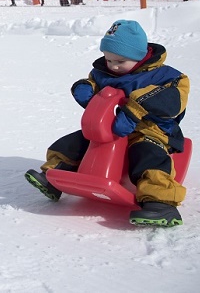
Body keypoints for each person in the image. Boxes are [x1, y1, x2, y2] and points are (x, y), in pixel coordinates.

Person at [24, 20, 190, 227]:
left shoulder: (168, 77)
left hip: (151, 130)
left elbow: (172, 99)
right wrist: (84, 87)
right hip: (111, 128)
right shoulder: (105, 71)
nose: (113, 66)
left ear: (139, 55)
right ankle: (53, 175)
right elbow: (94, 82)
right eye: (108, 59)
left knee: (148, 155)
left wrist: (133, 112)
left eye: (120, 61)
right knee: (76, 143)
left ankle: (160, 203)